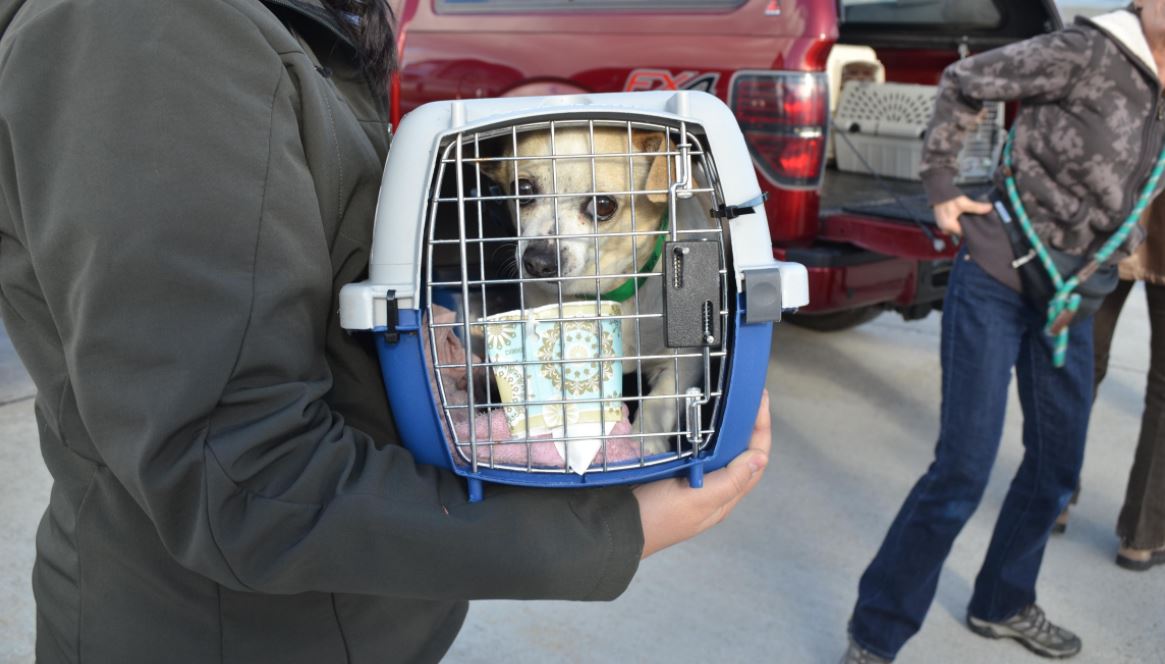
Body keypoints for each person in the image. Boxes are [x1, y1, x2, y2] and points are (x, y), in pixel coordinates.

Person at [0, 1, 772, 662]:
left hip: (340, 616)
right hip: (231, 635)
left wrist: (415, 334)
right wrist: (600, 532)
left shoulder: (295, 26)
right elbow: (236, 476)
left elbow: (279, 292)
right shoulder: (151, 35)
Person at [841, 3, 1165, 662]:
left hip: (1073, 299)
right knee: (961, 469)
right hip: (997, 274)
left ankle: (1002, 601)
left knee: (1053, 471)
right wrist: (939, 181)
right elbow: (964, 80)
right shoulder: (1085, 51)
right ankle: (875, 634)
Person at [1057, 195, 1165, 571]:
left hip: (1116, 196)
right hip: (1117, 200)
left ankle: (1052, 498)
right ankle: (1142, 536)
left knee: (1082, 362)